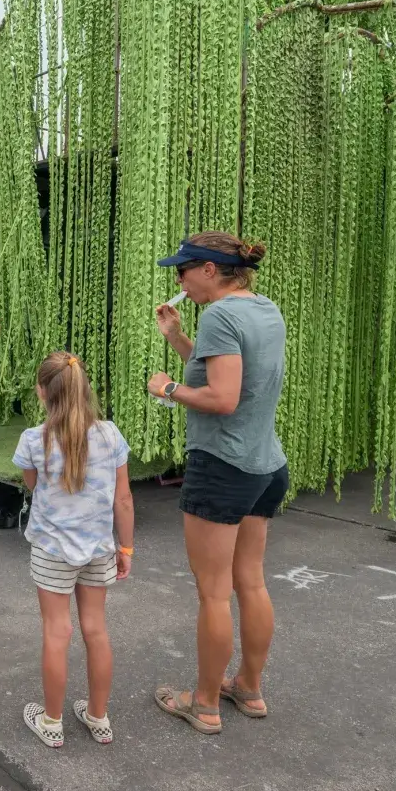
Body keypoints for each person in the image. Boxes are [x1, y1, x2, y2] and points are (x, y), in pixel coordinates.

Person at [149, 232, 285, 734]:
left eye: (183, 270)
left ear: (209, 270)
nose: (178, 279)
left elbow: (222, 398)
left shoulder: (222, 317)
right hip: (264, 464)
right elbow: (235, 378)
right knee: (250, 579)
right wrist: (179, 339)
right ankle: (248, 688)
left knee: (213, 592)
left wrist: (168, 388)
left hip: (222, 466)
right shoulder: (263, 308)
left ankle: (203, 703)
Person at [15, 352, 134, 747]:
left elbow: (32, 485)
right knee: (95, 630)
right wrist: (126, 547)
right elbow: (124, 500)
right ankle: (98, 717)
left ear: (42, 392)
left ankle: (51, 722)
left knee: (56, 631)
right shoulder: (111, 435)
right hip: (99, 547)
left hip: (52, 550)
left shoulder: (34, 439)